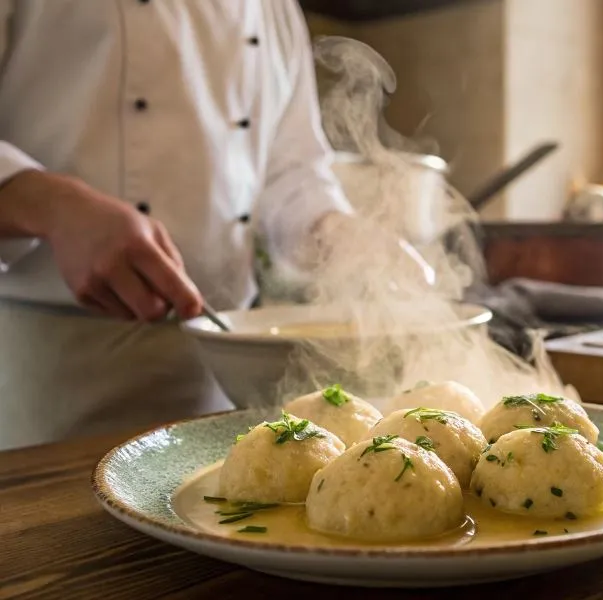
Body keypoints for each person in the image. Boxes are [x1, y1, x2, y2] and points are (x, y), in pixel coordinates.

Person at [0, 1, 400, 450]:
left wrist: (336, 230)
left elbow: (293, 168)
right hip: (61, 368)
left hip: (226, 361)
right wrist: (58, 207)